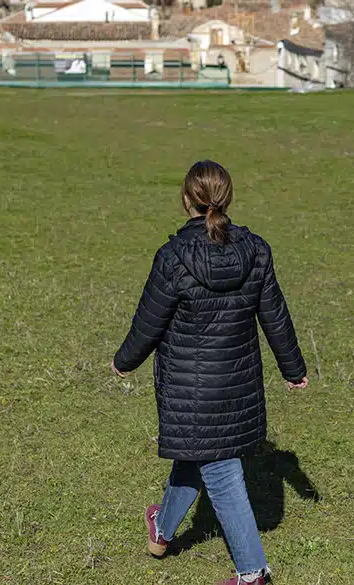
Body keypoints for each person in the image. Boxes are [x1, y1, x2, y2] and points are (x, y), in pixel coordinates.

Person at [110, 160, 309, 585]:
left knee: (220, 469)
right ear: (227, 199)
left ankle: (252, 573)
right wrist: (293, 368)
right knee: (197, 451)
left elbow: (149, 322)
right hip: (236, 388)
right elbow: (275, 315)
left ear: (186, 201)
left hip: (188, 388)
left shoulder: (173, 257)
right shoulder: (255, 250)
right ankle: (162, 530)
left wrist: (123, 361)